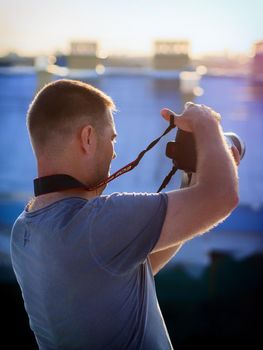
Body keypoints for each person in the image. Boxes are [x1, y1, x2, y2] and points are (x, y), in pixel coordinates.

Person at [10, 79, 239, 350]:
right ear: (87, 138)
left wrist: (191, 183)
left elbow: (132, 270)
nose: (115, 152)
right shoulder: (99, 223)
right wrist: (206, 123)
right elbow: (222, 197)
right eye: (112, 138)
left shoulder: (24, 230)